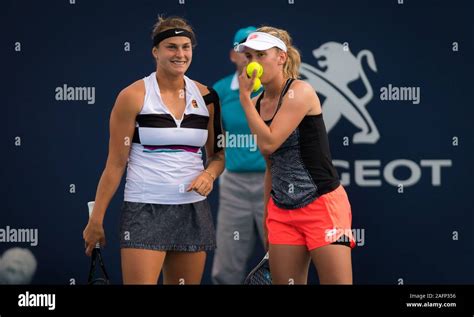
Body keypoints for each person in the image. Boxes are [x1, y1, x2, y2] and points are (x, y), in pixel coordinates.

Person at [82, 16, 225, 285]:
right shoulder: (133, 96)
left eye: (186, 46)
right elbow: (115, 164)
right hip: (144, 210)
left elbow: (218, 156)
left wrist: (209, 175)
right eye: (172, 47)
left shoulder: (208, 97)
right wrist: (96, 219)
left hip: (193, 211)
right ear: (155, 52)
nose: (180, 54)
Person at [237, 27, 356, 285]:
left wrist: (244, 99)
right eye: (249, 57)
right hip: (281, 211)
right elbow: (271, 164)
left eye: (261, 55)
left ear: (281, 57)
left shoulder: (300, 91)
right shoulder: (258, 104)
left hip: (322, 205)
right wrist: (268, 214)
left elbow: (269, 143)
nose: (253, 63)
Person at [211, 26, 266, 284]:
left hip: (274, 182)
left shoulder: (278, 88)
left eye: (257, 51)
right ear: (234, 56)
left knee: (283, 260)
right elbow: (212, 140)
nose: (250, 57)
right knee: (226, 267)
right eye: (244, 50)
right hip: (234, 184)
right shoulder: (220, 91)